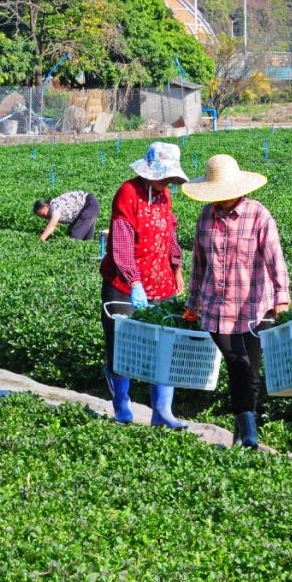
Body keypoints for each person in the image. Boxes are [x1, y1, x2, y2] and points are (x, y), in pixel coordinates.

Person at [182, 155, 290, 449]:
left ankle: (246, 429)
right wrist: (192, 303)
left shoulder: (258, 215)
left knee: (250, 367)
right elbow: (199, 265)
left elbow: (274, 257)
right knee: (236, 362)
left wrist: (281, 295)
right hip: (216, 308)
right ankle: (247, 427)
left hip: (254, 307)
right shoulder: (205, 217)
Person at [100, 141, 189, 429]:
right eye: (166, 177)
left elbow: (170, 233)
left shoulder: (164, 197)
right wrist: (133, 280)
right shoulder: (128, 192)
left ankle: (162, 412)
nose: (169, 182)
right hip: (125, 286)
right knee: (122, 347)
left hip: (160, 282)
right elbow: (121, 238)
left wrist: (176, 267)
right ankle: (122, 405)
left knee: (162, 348)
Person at [33, 191, 99, 241]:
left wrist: (41, 239)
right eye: (41, 217)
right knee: (85, 238)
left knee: (75, 237)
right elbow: (54, 223)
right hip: (85, 208)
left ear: (46, 206)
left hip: (89, 205)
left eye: (43, 214)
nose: (45, 217)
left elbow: (52, 225)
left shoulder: (54, 206)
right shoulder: (53, 206)